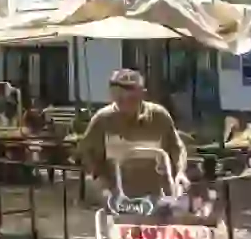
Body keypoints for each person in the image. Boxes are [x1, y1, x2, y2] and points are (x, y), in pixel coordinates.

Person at [78, 69, 186, 201]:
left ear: (143, 95)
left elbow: (177, 148)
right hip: (116, 199)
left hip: (156, 198)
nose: (125, 104)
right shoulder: (102, 120)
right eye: (119, 99)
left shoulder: (159, 117)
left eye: (131, 99)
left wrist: (180, 173)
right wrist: (99, 180)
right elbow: (86, 153)